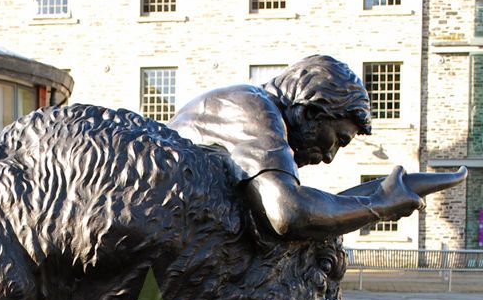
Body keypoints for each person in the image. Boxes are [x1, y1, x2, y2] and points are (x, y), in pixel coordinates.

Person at [168, 55, 465, 240]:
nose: (328, 157)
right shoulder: (253, 108)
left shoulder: (253, 109)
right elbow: (289, 214)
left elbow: (307, 206)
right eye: (338, 139)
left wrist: (378, 193)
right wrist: (380, 206)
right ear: (312, 112)